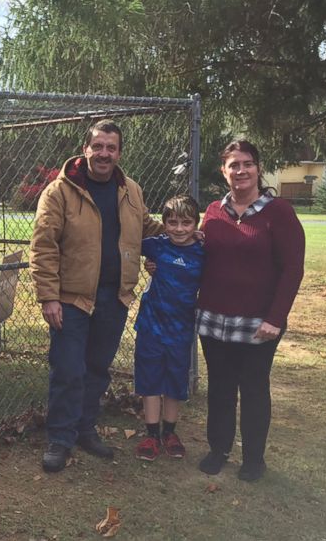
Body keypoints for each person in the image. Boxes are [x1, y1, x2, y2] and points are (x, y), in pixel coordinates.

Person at [29, 119, 163, 472]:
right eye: (98, 146)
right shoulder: (59, 191)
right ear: (85, 149)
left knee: (97, 369)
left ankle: (86, 429)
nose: (104, 154)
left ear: (119, 152)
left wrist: (184, 237)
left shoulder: (130, 190)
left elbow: (147, 228)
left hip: (114, 298)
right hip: (71, 299)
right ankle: (60, 438)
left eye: (111, 148)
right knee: (68, 369)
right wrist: (49, 297)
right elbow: (43, 246)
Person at [196, 140, 305, 482]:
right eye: (234, 165)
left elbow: (292, 269)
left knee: (254, 387)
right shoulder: (214, 211)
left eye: (247, 164)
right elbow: (198, 255)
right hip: (214, 319)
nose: (240, 170)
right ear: (223, 171)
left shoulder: (279, 212)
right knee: (220, 387)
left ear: (258, 168)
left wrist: (275, 318)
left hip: (260, 322)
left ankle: (254, 459)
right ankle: (218, 449)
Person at [132, 195, 204, 461]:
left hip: (181, 328)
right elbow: (127, 244)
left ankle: (169, 432)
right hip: (151, 325)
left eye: (186, 223)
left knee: (175, 381)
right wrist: (147, 265)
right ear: (164, 223)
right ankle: (151, 434)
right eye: (172, 222)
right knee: (150, 379)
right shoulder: (156, 246)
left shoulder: (202, 250)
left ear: (196, 224)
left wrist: (202, 237)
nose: (179, 229)